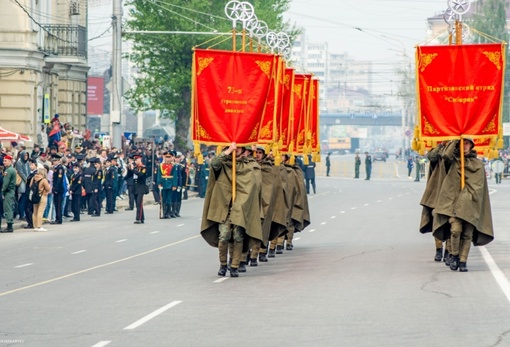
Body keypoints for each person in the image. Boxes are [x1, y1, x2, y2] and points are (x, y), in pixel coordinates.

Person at [200, 143, 262, 278]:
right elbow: (214, 163)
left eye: (240, 147)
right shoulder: (224, 164)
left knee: (238, 237)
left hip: (240, 208)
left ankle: (234, 265)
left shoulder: (248, 166)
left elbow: (253, 187)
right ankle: (223, 264)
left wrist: (242, 203)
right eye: (236, 147)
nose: (237, 149)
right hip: (225, 207)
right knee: (224, 236)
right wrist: (229, 151)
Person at [432, 139, 494, 272]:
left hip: (470, 205)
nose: (464, 146)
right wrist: (455, 140)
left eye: (467, 143)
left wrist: (468, 197)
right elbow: (445, 156)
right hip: (454, 204)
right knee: (455, 230)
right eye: (462, 143)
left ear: (471, 145)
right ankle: (454, 255)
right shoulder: (453, 161)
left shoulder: (477, 164)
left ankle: (463, 260)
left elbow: (479, 187)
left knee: (467, 234)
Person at [157, 151, 178, 218]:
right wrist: (159, 183)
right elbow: (159, 175)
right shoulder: (161, 165)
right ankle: (164, 213)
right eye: (166, 157)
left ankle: (168, 213)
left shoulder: (173, 166)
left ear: (171, 158)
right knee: (164, 199)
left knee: (169, 199)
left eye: (169, 157)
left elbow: (175, 176)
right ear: (164, 157)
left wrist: (174, 185)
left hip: (170, 183)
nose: (168, 159)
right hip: (163, 183)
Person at [1, 155, 17, 232]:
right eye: (4, 161)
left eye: (5, 161)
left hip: (8, 191)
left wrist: (2, 191)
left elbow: (5, 183)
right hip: (11, 191)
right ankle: (9, 225)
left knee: (8, 208)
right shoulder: (10, 169)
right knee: (9, 207)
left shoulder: (9, 170)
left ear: (10, 161)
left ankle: (9, 226)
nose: (4, 162)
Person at [132, 154, 148, 224]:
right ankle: (142, 218)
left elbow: (141, 175)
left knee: (139, 203)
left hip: (141, 187)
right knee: (137, 203)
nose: (135, 161)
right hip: (135, 187)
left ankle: (138, 218)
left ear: (140, 160)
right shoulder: (135, 168)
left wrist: (133, 170)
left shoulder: (143, 168)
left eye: (137, 159)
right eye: (135, 160)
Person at [50, 154, 65, 224]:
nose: (54, 162)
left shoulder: (60, 168)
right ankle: (57, 218)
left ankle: (59, 219)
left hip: (59, 189)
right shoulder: (56, 168)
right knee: (56, 204)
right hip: (55, 188)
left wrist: (56, 189)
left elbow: (59, 180)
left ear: (59, 161)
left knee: (58, 204)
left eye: (55, 160)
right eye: (53, 160)